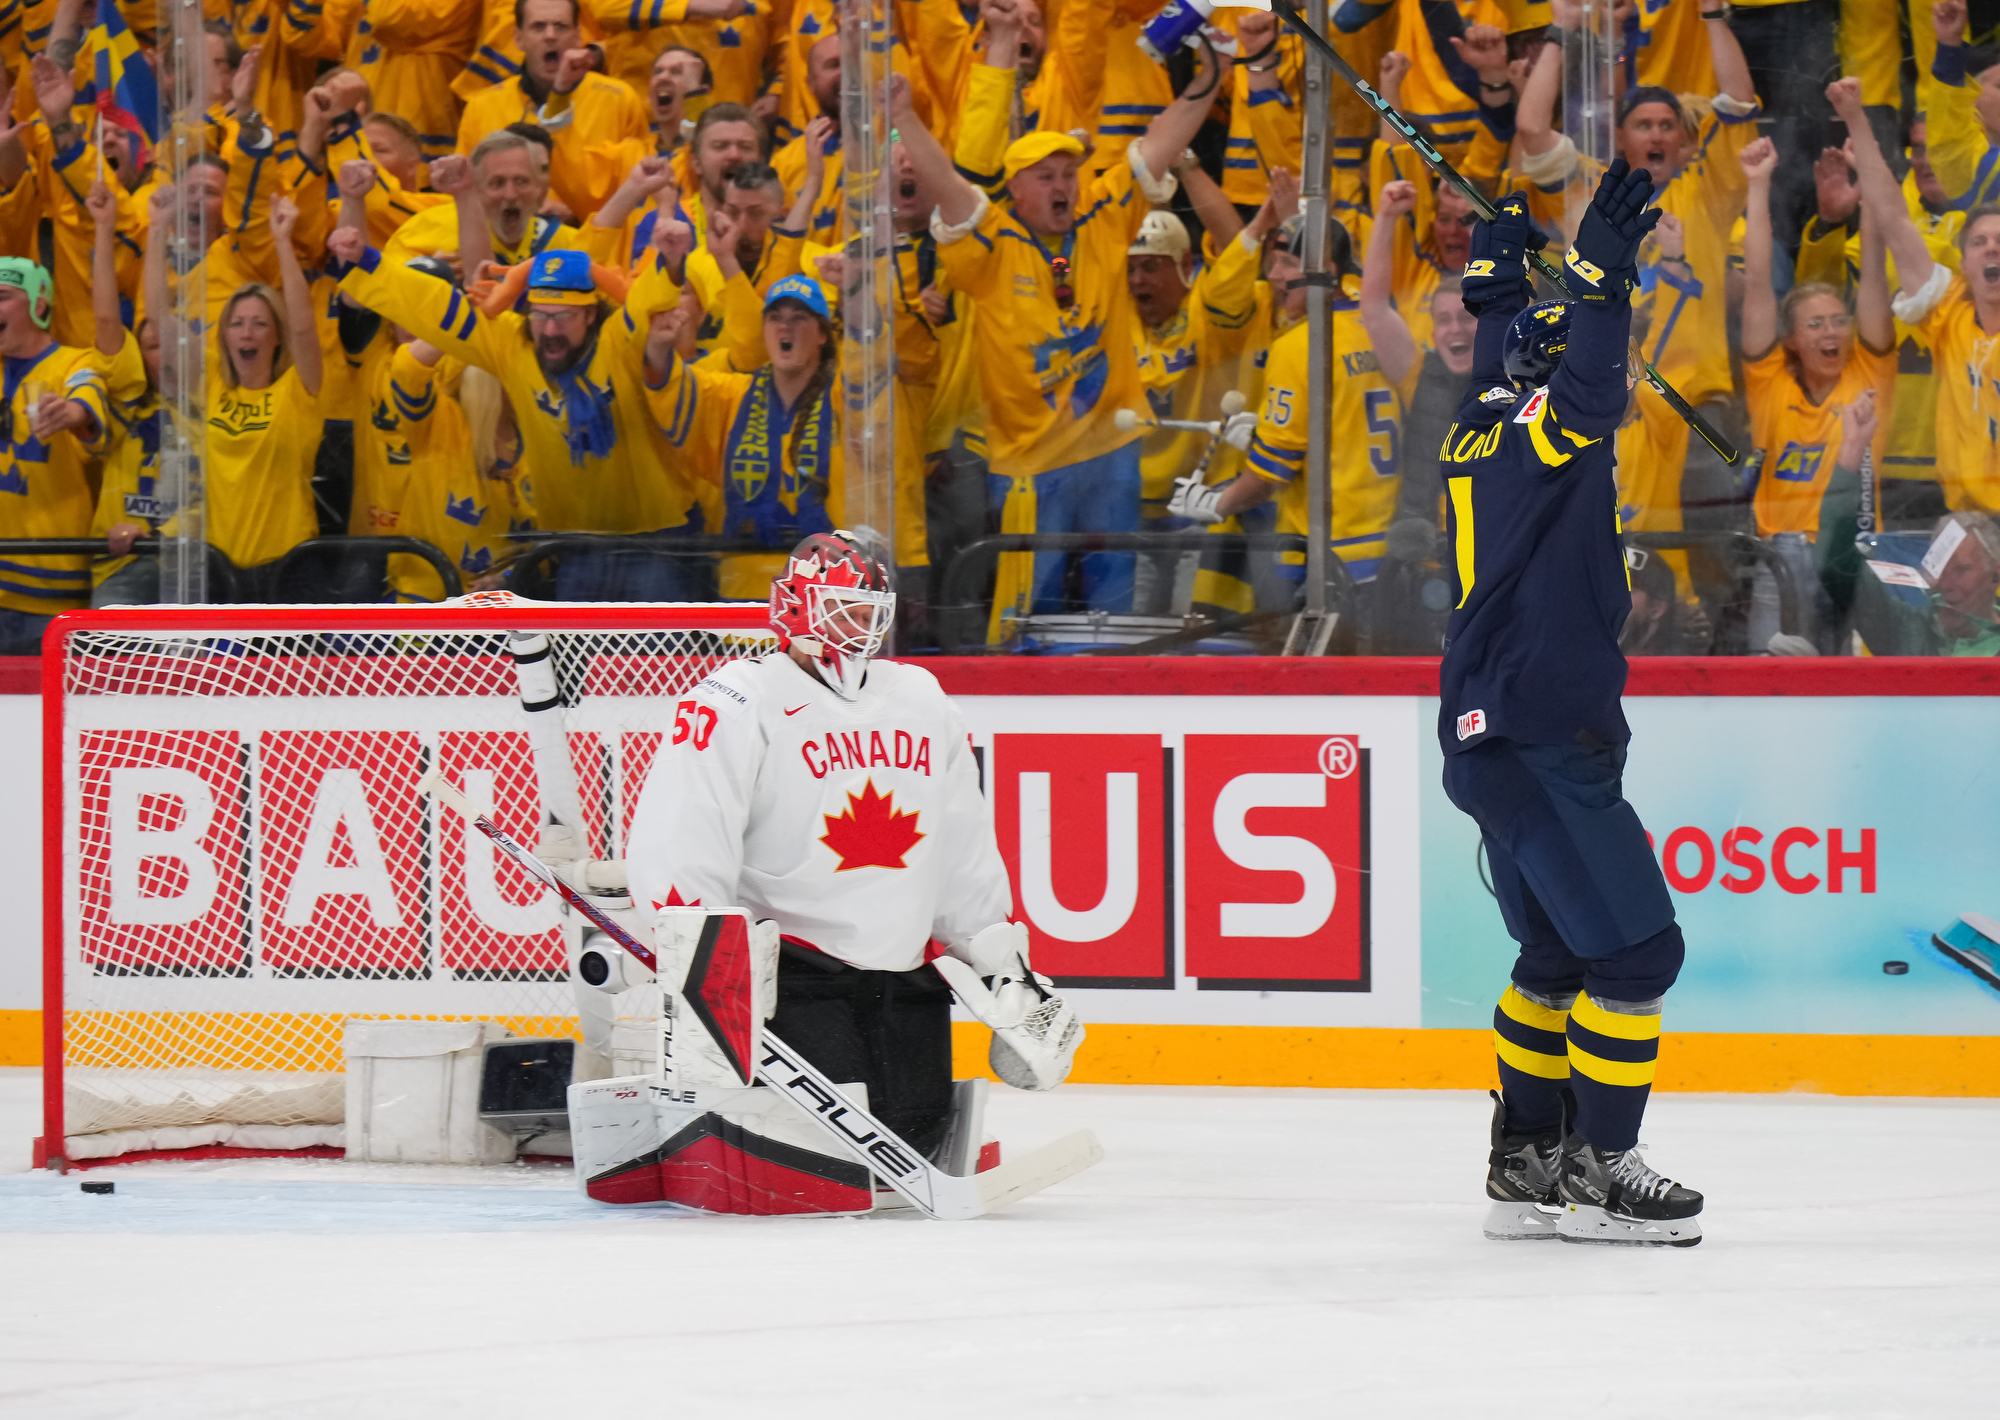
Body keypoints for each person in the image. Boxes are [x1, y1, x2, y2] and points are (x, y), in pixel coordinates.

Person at [614, 530, 1082, 1208]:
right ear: (796, 606)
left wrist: (1002, 967)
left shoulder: (921, 698)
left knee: (915, 1123)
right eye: (844, 610)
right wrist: (703, 968)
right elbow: (684, 837)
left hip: (905, 970)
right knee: (820, 1141)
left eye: (870, 611)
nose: (861, 626)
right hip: (796, 972)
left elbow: (962, 845)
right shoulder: (735, 700)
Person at [1436, 167, 1703, 1247]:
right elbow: (1586, 392)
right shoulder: (1549, 437)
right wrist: (1599, 277)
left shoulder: (1479, 421)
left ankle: (1523, 1164)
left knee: (1551, 960)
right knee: (1637, 957)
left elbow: (1510, 351)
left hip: (1495, 737)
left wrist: (1498, 273)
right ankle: (1597, 1170)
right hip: (1543, 735)